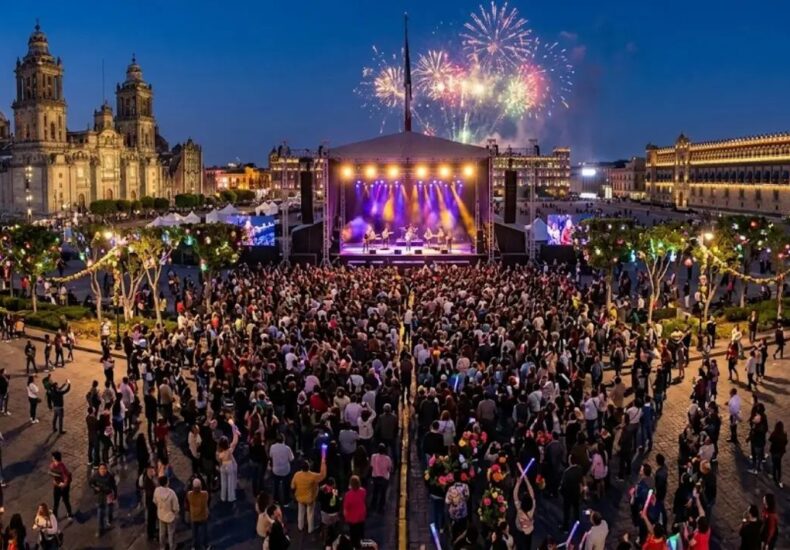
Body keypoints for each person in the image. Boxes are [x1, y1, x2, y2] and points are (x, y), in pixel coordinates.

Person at [291, 454, 327, 533]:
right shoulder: (313, 476)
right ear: (309, 467)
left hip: (300, 497)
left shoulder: (297, 475)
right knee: (310, 514)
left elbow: (292, 486)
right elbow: (323, 475)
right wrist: (323, 462)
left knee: (300, 513)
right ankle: (310, 529)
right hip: (310, 499)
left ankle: (300, 527)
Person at [89, 462, 117, 536]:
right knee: (100, 512)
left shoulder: (110, 476)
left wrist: (115, 496)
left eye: (104, 469)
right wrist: (95, 488)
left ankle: (109, 519)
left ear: (106, 469)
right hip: (100, 495)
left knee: (110, 508)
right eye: (101, 469)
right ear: (98, 469)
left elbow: (114, 486)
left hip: (109, 494)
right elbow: (91, 483)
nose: (103, 470)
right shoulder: (95, 476)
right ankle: (100, 529)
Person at [153, 474, 179, 550]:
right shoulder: (171, 493)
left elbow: (155, 501)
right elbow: (175, 507)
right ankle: (172, 547)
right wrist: (176, 513)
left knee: (162, 533)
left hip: (161, 515)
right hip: (170, 516)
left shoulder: (156, 491)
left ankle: (162, 547)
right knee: (171, 533)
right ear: (167, 482)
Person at [216, 421, 240, 502]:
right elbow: (235, 441)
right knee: (230, 482)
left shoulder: (219, 453)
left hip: (223, 466)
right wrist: (234, 429)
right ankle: (231, 497)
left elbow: (219, 460)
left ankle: (223, 497)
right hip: (229, 466)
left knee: (223, 482)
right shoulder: (229, 450)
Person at [185, 477, 210, 550]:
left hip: (194, 517)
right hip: (203, 516)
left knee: (194, 533)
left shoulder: (189, 495)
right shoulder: (205, 494)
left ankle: (193, 546)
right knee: (204, 532)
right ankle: (206, 546)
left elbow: (187, 492)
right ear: (200, 486)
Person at [514, 471, 536, 550]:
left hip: (519, 528)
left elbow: (515, 495)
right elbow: (531, 491)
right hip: (528, 529)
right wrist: (527, 480)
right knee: (527, 543)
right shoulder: (533, 506)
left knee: (519, 542)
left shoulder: (519, 509)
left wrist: (518, 483)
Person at [270, 435, 294, 506]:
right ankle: (286, 502)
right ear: (284, 440)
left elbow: (270, 456)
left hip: (276, 470)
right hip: (285, 470)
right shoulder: (287, 448)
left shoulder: (272, 447)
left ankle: (276, 500)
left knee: (276, 485)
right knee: (286, 486)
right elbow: (291, 459)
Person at [343, 475, 367, 548]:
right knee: (360, 531)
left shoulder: (348, 495)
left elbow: (346, 508)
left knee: (353, 533)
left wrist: (345, 516)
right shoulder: (363, 491)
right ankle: (360, 543)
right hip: (361, 515)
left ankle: (354, 545)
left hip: (352, 518)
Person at [49, 451, 73, 520]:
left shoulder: (61, 466)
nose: (52, 458)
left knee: (63, 501)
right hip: (58, 485)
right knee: (61, 501)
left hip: (62, 486)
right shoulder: (54, 465)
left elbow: (65, 477)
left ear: (54, 458)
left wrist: (63, 484)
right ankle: (67, 514)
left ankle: (68, 514)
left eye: (53, 457)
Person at [369, 444, 392, 514]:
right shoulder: (388, 459)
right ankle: (381, 508)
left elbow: (372, 466)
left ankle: (373, 505)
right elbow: (389, 468)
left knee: (375, 491)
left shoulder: (373, 456)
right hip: (384, 478)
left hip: (375, 476)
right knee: (383, 493)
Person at [768, 421, 787, 488]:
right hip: (780, 452)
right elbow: (785, 442)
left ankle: (774, 476)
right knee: (778, 464)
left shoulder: (774, 434)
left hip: (774, 451)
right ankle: (779, 477)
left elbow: (770, 440)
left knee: (774, 464)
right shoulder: (784, 434)